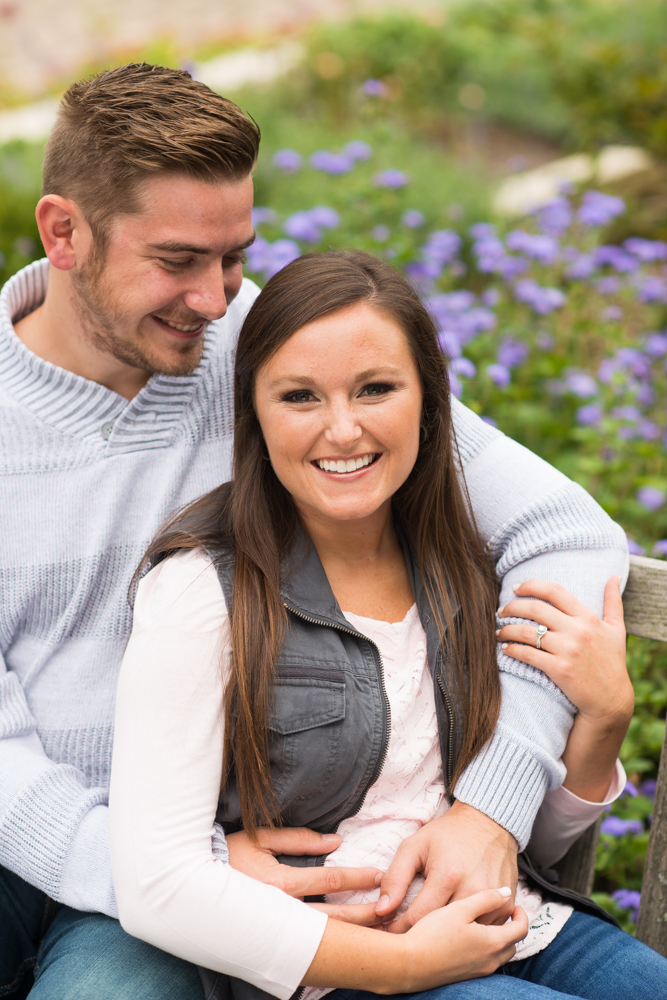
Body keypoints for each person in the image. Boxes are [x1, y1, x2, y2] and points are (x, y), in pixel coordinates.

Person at [0, 62, 629, 998]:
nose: (213, 300)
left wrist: (492, 804)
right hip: (63, 856)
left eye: (235, 257)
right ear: (65, 234)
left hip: (248, 864)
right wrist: (192, 870)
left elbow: (564, 533)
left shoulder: (272, 355)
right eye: (177, 261)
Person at [109, 250, 662, 1000]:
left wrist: (602, 722)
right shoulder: (202, 590)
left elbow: (518, 844)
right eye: (299, 397)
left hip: (516, 925)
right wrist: (409, 964)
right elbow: (158, 887)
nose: (343, 429)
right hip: (342, 972)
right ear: (253, 415)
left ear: (430, 403)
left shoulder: (465, 566)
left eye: (375, 389)